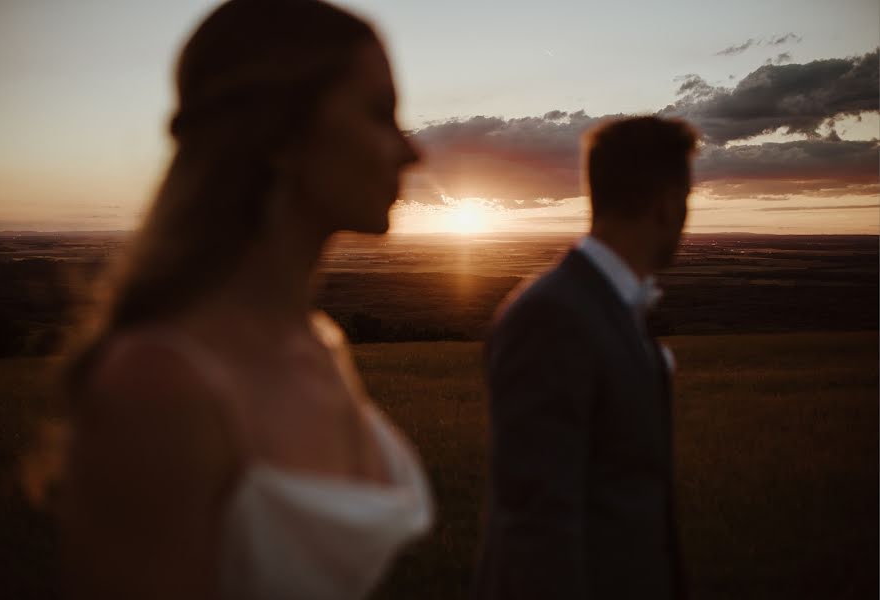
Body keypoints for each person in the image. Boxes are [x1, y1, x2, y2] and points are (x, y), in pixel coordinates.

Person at [60, 1, 432, 598]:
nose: (412, 152)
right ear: (280, 135)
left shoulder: (320, 342)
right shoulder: (159, 382)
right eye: (378, 113)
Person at [472, 116, 697, 599]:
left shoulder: (608, 305)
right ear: (666, 203)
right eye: (687, 201)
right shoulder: (554, 316)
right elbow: (535, 527)